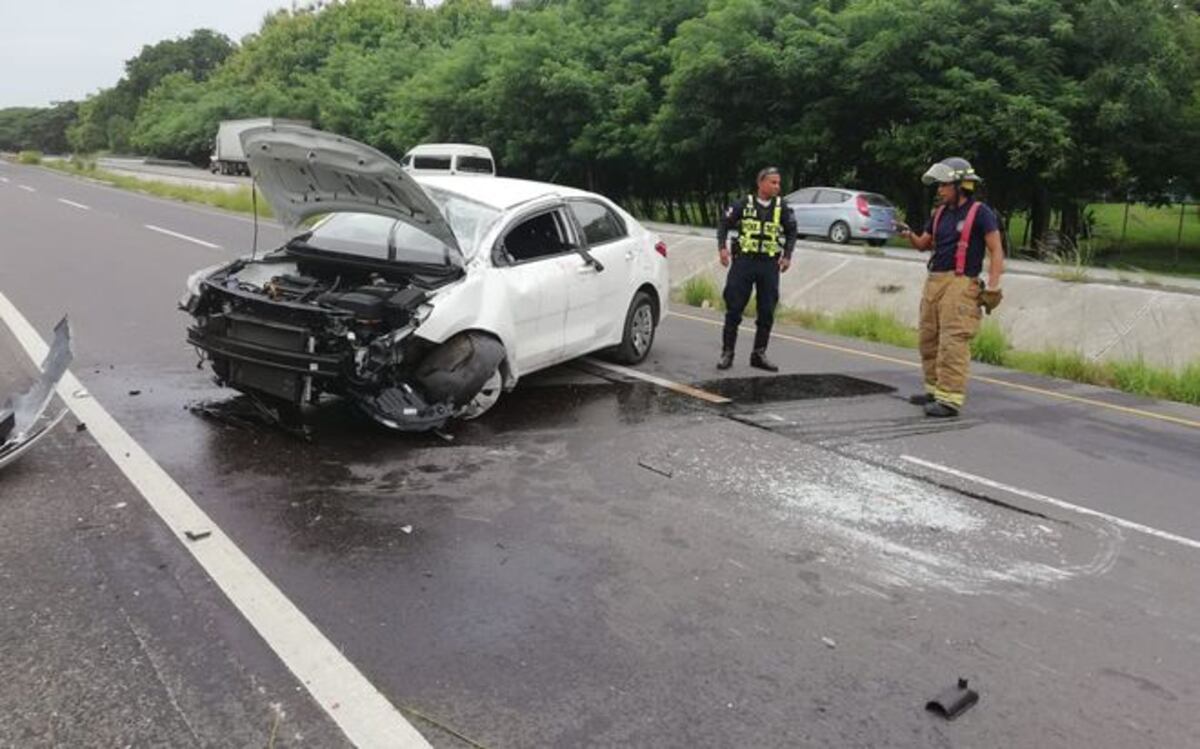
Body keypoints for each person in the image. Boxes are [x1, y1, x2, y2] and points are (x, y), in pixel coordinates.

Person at [897, 157, 1005, 418]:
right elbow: (924, 244)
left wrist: (993, 286)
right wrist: (909, 235)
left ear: (960, 185)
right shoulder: (940, 214)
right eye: (939, 185)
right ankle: (934, 391)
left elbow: (996, 250)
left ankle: (949, 399)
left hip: (961, 283)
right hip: (935, 281)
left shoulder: (980, 212)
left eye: (944, 185)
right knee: (928, 338)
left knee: (953, 341)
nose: (940, 190)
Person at [716, 167, 798, 371]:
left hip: (769, 265)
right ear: (760, 183)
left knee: (767, 311)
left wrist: (787, 255)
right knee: (734, 308)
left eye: (778, 183)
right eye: (773, 182)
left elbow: (792, 231)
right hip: (744, 262)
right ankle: (727, 353)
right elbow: (724, 224)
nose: (777, 187)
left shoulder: (782, 207)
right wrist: (722, 248)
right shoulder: (744, 204)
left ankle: (759, 354)